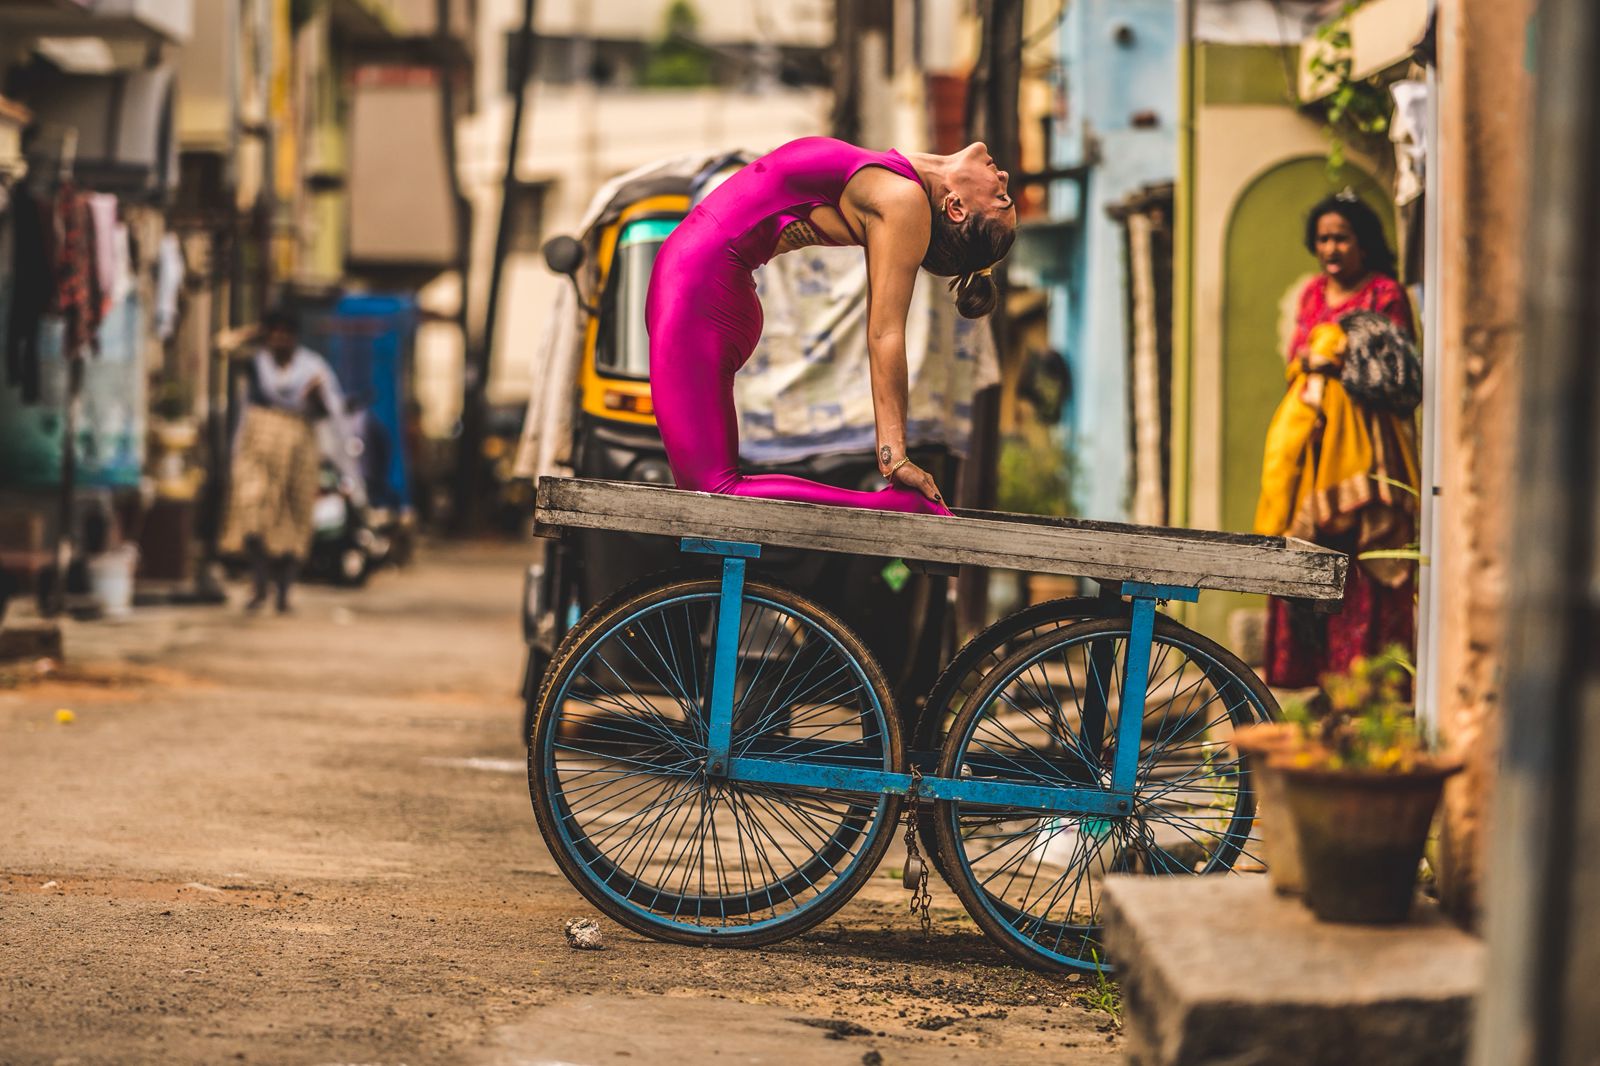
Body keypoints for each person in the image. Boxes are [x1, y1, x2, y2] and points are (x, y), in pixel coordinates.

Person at [646, 137, 1017, 515]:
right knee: (706, 492)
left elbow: (885, 333)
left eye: (1001, 199)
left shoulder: (903, 201)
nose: (1003, 176)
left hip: (700, 291)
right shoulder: (896, 181)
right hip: (697, 285)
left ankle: (891, 508)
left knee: (711, 491)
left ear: (955, 207)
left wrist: (894, 457)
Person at [1254, 193, 1421, 687]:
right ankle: (1322, 687)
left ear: (1364, 245)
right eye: (1324, 238)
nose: (1331, 247)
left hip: (1370, 457)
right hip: (1311, 451)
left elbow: (1394, 373)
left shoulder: (1385, 295)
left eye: (1342, 237)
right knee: (1312, 555)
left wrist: (1335, 363)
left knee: (1363, 566)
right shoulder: (1311, 295)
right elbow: (1296, 358)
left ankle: (1367, 688)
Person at [220, 309, 351, 613]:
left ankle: (284, 591)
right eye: (274, 332)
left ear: (295, 337)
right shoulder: (257, 362)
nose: (279, 339)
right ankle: (259, 584)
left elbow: (333, 412)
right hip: (259, 443)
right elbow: (222, 346)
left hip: (299, 445)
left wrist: (317, 400)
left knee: (294, 514)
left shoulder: (313, 367)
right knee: (252, 510)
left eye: (285, 333)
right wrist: (253, 331)